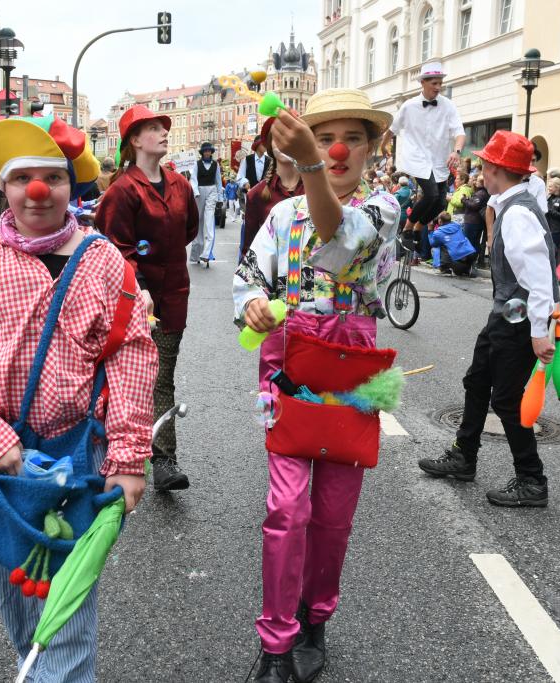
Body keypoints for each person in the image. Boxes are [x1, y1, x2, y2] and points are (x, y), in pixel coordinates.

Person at [0, 114, 156, 681]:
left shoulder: (104, 262)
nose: (37, 191)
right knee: (20, 606)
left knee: (66, 619)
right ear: (2, 188)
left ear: (70, 185)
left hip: (79, 453)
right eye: (22, 177)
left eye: (51, 177)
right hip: (4, 463)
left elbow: (130, 354)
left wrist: (128, 460)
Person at [234, 89, 399, 683]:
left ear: (371, 150)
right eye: (326, 137)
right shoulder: (281, 216)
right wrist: (253, 301)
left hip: (352, 378)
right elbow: (249, 275)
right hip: (289, 373)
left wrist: (306, 164)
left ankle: (315, 618)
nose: (336, 149)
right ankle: (276, 641)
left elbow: (342, 238)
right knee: (286, 508)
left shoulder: (383, 209)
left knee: (332, 514)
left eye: (352, 138)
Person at [418, 130, 558, 507]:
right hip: (508, 314)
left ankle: (532, 480)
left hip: (521, 318)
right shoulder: (511, 204)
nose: (480, 170)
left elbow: (540, 280)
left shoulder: (518, 215)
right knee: (477, 379)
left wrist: (540, 332)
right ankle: (464, 455)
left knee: (508, 400)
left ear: (494, 168)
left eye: (484, 164)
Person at [95, 104, 199, 492]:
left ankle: (163, 459)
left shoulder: (181, 185)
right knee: (125, 377)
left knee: (162, 377)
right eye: (153, 128)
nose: (163, 133)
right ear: (134, 141)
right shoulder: (122, 191)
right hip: (130, 300)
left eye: (163, 127)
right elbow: (112, 247)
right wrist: (138, 285)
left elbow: (189, 229)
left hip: (173, 295)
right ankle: (112, 449)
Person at [381, 61, 465, 247]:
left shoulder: (448, 106)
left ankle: (419, 226)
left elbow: (459, 132)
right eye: (434, 83)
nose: (438, 87)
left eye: (440, 83)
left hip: (439, 159)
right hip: (417, 158)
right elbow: (393, 129)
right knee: (431, 194)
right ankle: (408, 228)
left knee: (441, 203)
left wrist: (457, 151)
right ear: (423, 83)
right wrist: (383, 146)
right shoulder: (409, 106)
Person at [241, 117, 305, 259]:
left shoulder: (315, 189)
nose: (285, 145)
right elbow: (249, 250)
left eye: (291, 139)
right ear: (271, 146)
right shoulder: (256, 194)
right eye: (278, 139)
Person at [189, 141, 223, 264]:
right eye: (205, 151)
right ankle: (196, 253)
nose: (207, 152)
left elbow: (218, 181)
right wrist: (196, 191)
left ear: (211, 152)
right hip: (200, 192)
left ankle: (206, 253)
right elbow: (193, 179)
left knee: (209, 221)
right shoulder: (197, 164)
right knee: (198, 221)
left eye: (209, 150)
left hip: (212, 191)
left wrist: (220, 198)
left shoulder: (216, 165)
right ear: (202, 153)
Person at [429, 211, 476, 276]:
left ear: (440, 221)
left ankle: (445, 268)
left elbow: (433, 244)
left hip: (456, 259)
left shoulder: (438, 233)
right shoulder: (458, 225)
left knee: (436, 247)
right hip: (470, 253)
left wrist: (430, 230)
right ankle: (469, 268)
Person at [461, 173, 490, 266]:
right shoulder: (482, 192)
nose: (474, 182)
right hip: (476, 222)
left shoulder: (481, 193)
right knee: (474, 243)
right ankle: (470, 263)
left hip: (472, 222)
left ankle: (468, 264)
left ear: (481, 183)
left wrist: (464, 200)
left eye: (476, 180)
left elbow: (474, 205)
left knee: (469, 243)